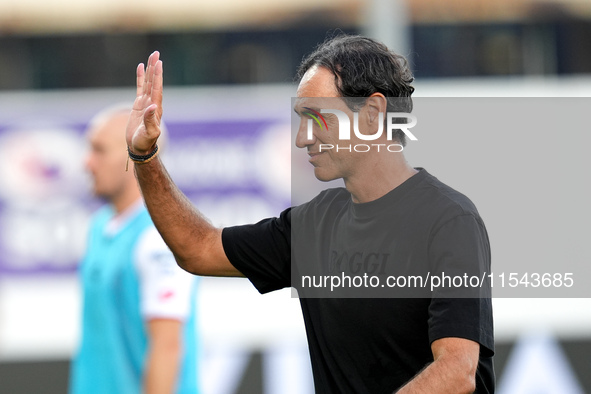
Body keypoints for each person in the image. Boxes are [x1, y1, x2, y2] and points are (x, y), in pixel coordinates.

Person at [126, 34, 494, 393]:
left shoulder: (449, 219)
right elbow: (197, 249)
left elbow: (456, 372)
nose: (303, 137)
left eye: (317, 118)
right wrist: (145, 155)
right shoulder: (313, 224)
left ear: (372, 113)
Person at [70, 105, 199, 394]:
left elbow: (166, 347)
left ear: (133, 157)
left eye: (99, 150)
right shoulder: (99, 227)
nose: (87, 163)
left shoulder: (158, 237)